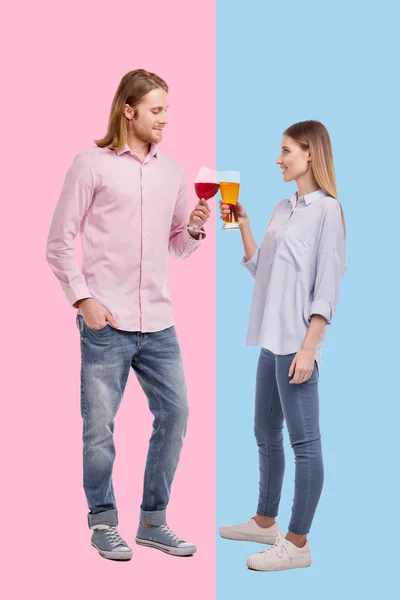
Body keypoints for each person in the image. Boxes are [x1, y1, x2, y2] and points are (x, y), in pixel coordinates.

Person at [46, 69, 210, 561]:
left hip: (159, 324)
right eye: (156, 110)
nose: (165, 119)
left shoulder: (173, 172)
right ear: (129, 110)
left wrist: (197, 230)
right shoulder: (90, 165)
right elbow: (57, 242)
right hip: (106, 323)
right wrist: (84, 301)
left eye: (167, 109)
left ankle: (153, 522)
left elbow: (178, 246)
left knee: (176, 415)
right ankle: (103, 523)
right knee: (99, 429)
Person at [219, 120, 346, 572]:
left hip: (297, 343)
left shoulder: (328, 211)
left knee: (305, 444)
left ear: (310, 153)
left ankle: (297, 543)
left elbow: (326, 288)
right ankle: (265, 521)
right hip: (270, 342)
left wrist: (310, 348)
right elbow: (264, 273)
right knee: (264, 433)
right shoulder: (280, 207)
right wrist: (245, 226)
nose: (279, 158)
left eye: (286, 150)